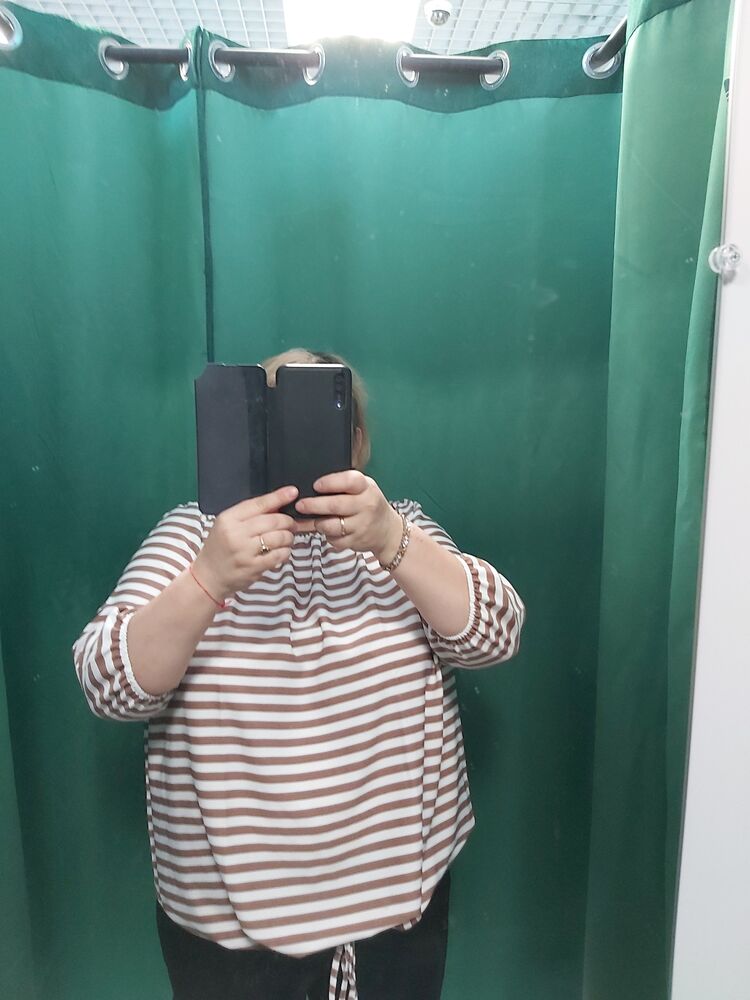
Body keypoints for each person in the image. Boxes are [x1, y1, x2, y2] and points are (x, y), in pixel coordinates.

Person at [72, 347, 525, 1000]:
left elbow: (496, 634)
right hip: (229, 940)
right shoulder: (189, 536)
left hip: (398, 913)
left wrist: (389, 538)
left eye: (320, 409)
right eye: (274, 409)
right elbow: (107, 684)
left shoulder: (403, 530)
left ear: (357, 443)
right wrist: (208, 578)